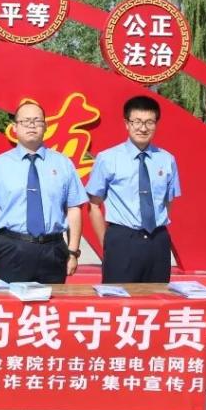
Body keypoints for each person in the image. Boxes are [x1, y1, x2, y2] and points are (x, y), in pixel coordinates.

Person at [0, 99, 87, 283]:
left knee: (52, 300)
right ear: (15, 127)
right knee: (12, 300)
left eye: (37, 121)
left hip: (53, 248)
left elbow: (73, 208)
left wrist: (72, 251)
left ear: (46, 126)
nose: (31, 125)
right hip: (12, 248)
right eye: (25, 121)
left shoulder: (63, 163)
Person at [86, 95, 181, 283]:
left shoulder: (167, 159)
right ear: (127, 124)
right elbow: (94, 204)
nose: (143, 128)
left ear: (156, 124)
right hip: (122, 239)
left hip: (158, 240)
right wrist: (107, 242)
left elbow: (168, 202)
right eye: (137, 121)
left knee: (157, 296)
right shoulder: (108, 158)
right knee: (119, 297)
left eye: (149, 122)